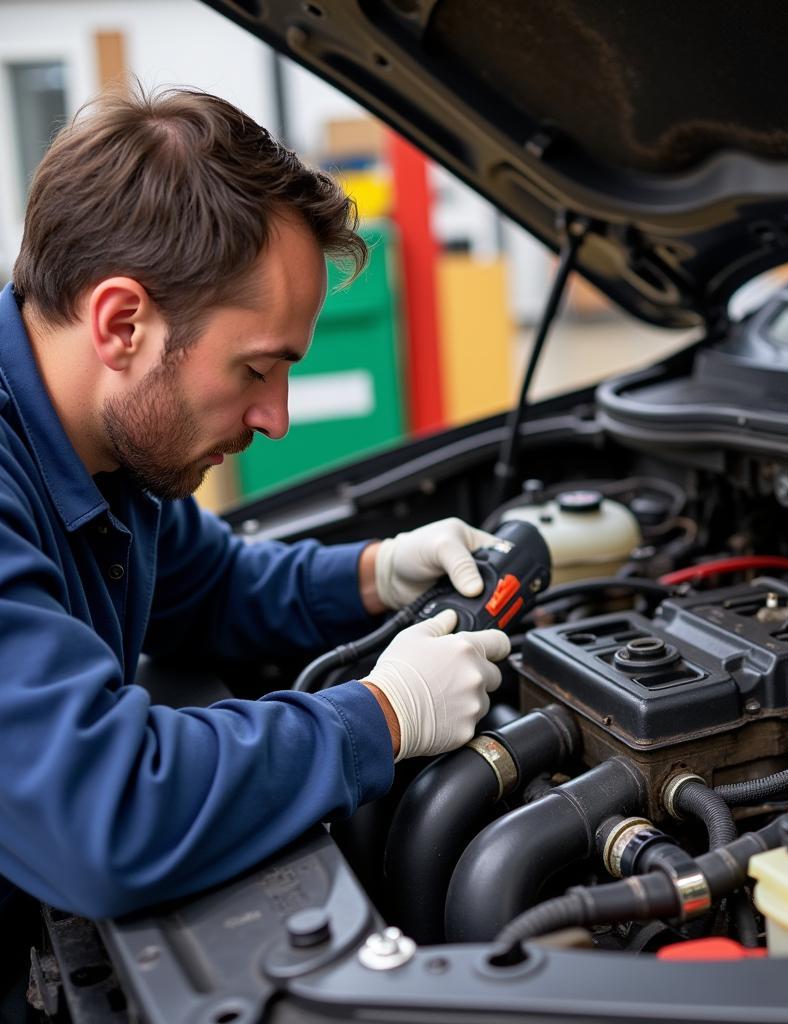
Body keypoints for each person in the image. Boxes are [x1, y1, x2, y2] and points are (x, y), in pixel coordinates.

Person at [0, 83, 512, 936]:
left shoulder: (107, 448)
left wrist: (380, 571)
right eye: (256, 369)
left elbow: (209, 587)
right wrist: (382, 717)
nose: (275, 418)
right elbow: (105, 814)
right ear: (122, 323)